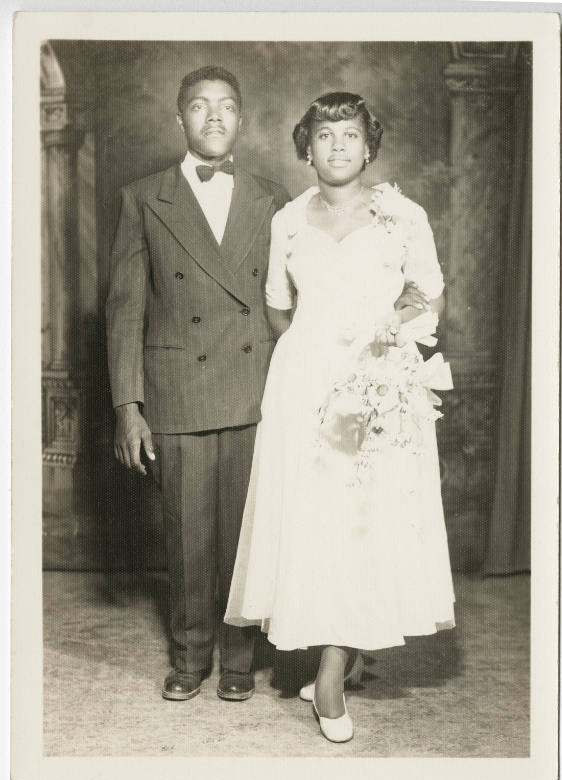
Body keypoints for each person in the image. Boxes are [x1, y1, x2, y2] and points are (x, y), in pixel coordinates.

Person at [224, 92, 456, 742]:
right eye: (324, 138)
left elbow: (427, 288)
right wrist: (314, 347)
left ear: (368, 145)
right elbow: (276, 306)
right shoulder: (289, 220)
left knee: (362, 518)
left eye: (349, 136)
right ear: (306, 146)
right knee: (313, 520)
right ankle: (336, 649)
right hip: (304, 385)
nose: (337, 148)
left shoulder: (399, 214)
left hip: (375, 382)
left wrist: (383, 336)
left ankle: (329, 674)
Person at [105, 66, 292, 703]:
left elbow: (289, 297)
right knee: (186, 534)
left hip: (254, 386)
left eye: (227, 107)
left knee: (246, 531)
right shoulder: (142, 197)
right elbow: (125, 308)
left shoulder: (272, 195)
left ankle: (241, 659)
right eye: (199, 107)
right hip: (177, 386)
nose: (214, 118)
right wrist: (128, 405)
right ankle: (190, 657)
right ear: (178, 118)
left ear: (242, 119)